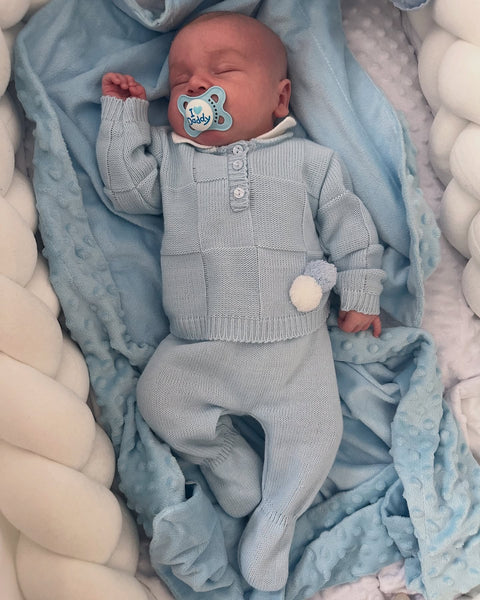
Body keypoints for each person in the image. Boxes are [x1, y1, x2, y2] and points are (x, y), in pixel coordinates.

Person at [96, 11, 384, 592]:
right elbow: (127, 193)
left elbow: (351, 230)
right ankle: (224, 456)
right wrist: (124, 118)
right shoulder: (173, 158)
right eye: (181, 80)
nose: (196, 86)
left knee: (315, 437)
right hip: (198, 346)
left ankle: (277, 517)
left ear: (280, 98)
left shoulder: (311, 162)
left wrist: (362, 294)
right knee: (158, 399)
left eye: (222, 71)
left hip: (293, 351)